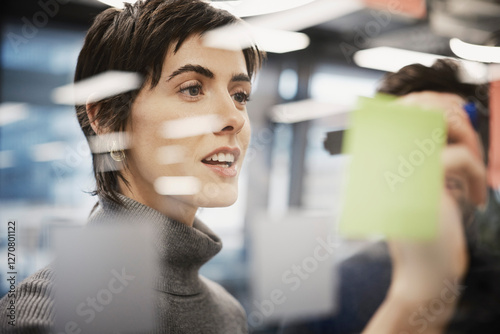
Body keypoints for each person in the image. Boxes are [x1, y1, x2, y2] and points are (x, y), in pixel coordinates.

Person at [0, 1, 486, 333]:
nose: (234, 117)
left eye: (239, 95)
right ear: (106, 115)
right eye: (192, 88)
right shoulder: (51, 314)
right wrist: (414, 301)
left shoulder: (225, 310)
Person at [283, 59, 500, 334]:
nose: (432, 159)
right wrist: (411, 302)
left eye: (449, 138)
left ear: (480, 154)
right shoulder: (326, 294)